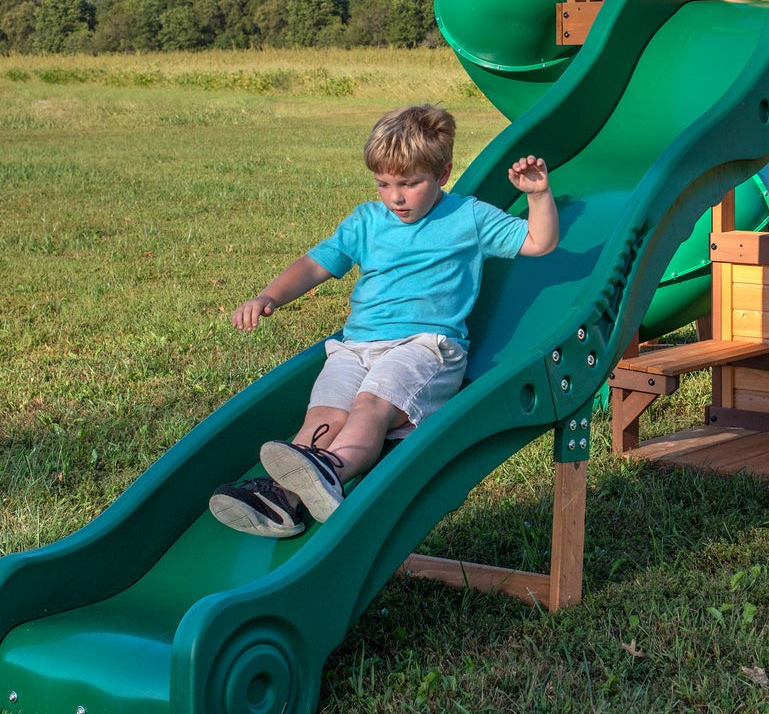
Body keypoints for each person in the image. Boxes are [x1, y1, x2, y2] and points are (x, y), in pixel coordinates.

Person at [209, 104, 559, 538]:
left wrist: (537, 195)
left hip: (425, 347)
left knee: (370, 406)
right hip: (355, 346)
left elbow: (539, 242)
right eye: (384, 184)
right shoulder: (367, 221)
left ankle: (334, 469)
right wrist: (269, 296)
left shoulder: (467, 217)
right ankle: (286, 501)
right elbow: (317, 264)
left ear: (443, 173)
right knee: (324, 413)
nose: (396, 197)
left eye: (410, 183)